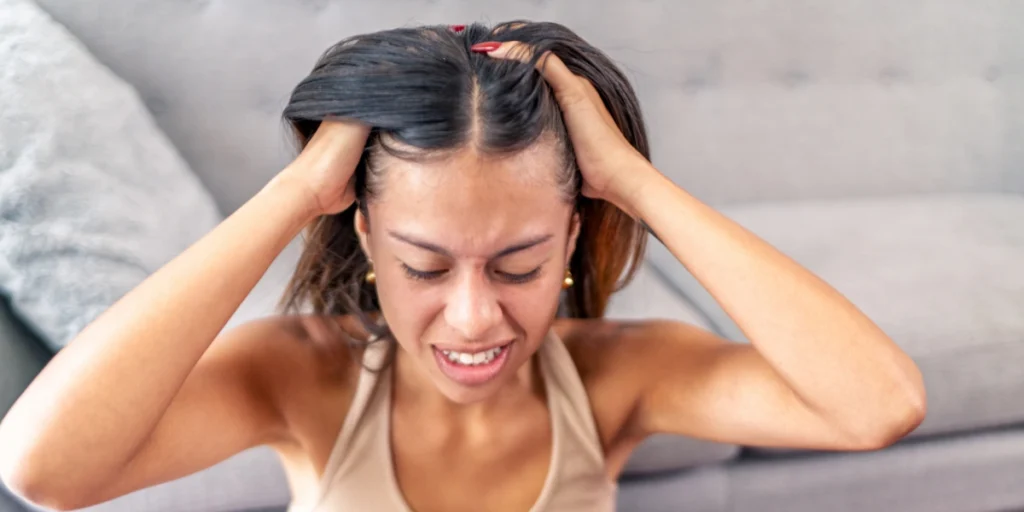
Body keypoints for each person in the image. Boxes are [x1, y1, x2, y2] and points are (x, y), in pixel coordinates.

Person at [0, 21, 926, 512]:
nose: (476, 319)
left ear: (570, 236)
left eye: (517, 264)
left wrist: (633, 183)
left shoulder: (615, 379)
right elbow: (44, 470)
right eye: (426, 267)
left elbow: (878, 405)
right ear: (365, 238)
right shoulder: (301, 378)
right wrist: (295, 193)